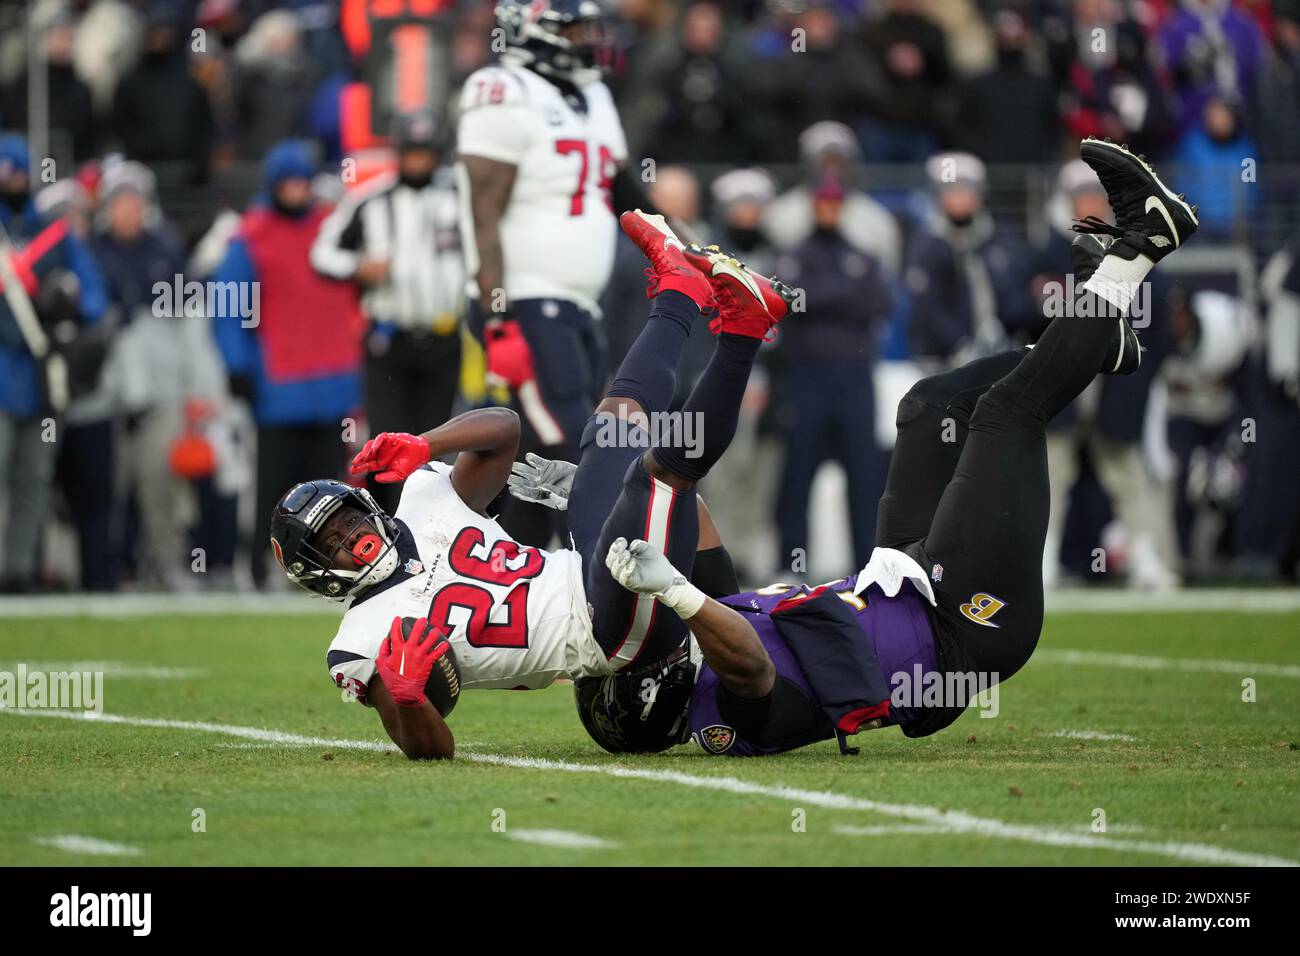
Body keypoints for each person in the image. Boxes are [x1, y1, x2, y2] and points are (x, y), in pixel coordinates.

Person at [568, 140, 1199, 756]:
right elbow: (754, 668)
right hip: (965, 626)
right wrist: (676, 594)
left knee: (927, 406)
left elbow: (683, 508)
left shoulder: (709, 630)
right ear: (647, 693)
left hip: (899, 576)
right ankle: (1144, 245)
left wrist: (609, 513)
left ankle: (1089, 342)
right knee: (1009, 412)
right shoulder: (729, 717)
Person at [270, 210, 793, 759]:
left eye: (347, 521)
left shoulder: (424, 500)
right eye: (331, 544)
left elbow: (505, 428)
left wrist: (427, 444)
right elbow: (432, 750)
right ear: (318, 574)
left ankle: (680, 292)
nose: (352, 538)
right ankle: (743, 331)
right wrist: (406, 700)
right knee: (660, 474)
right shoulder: (358, 642)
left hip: (585, 564)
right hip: (604, 632)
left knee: (613, 424)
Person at [456, 0, 629, 548]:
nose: (586, 40)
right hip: (526, 302)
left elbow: (624, 189)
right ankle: (599, 578)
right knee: (574, 442)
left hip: (578, 304)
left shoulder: (593, 94)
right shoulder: (502, 89)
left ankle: (511, 577)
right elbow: (479, 210)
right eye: (573, 29)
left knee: (532, 458)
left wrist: (683, 248)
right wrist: (498, 315)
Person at [210, 140, 363, 589]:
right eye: (289, 184)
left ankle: (319, 568)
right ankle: (257, 565)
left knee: (327, 490)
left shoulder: (332, 229)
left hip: (333, 382)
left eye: (302, 183)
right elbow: (227, 306)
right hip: (278, 387)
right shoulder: (250, 237)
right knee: (273, 487)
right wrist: (236, 365)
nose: (297, 191)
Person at [311, 111, 465, 515]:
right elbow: (323, 252)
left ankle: (431, 534)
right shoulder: (370, 199)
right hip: (388, 340)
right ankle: (390, 535)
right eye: (411, 153)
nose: (418, 162)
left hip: (445, 338)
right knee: (387, 442)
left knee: (436, 444)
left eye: (425, 154)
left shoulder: (459, 199)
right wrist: (359, 266)